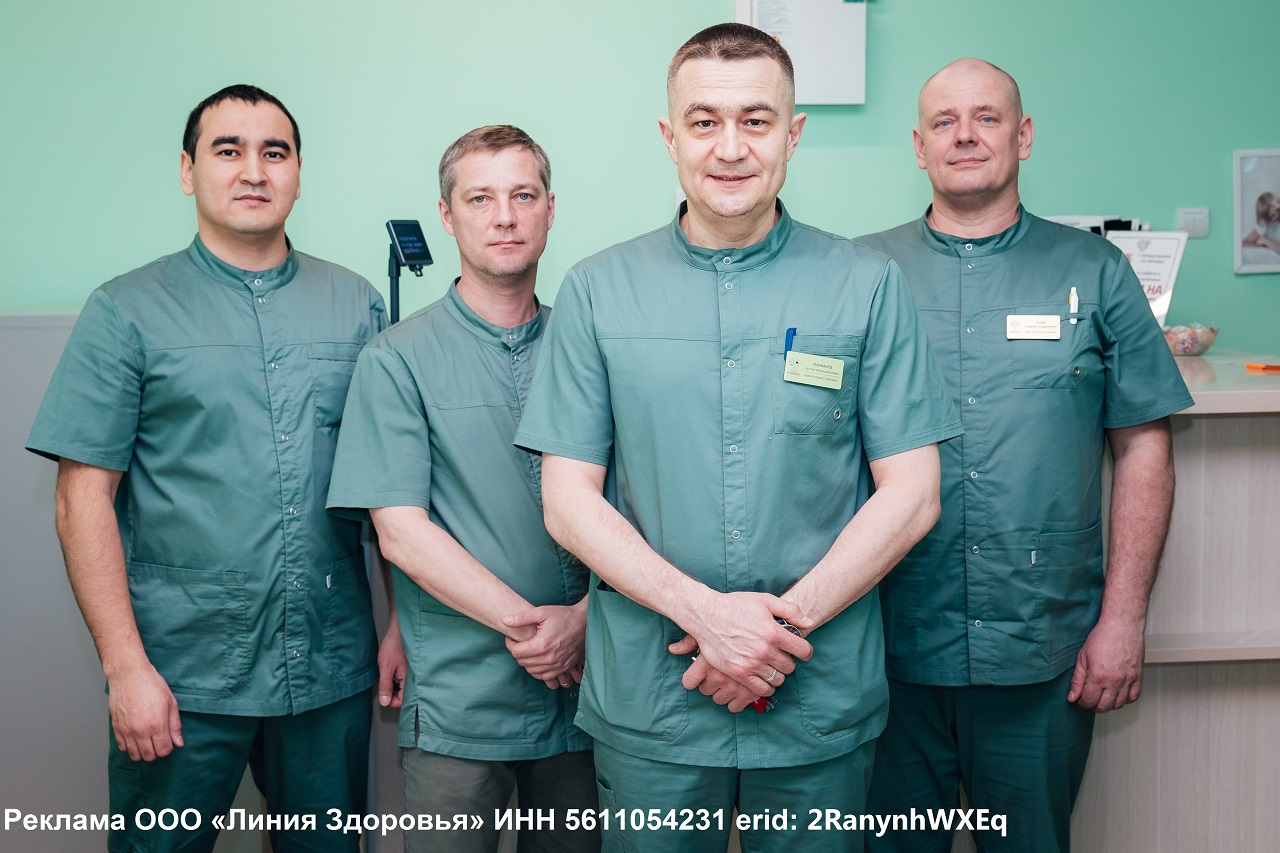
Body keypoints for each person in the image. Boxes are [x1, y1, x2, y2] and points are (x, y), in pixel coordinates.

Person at [513, 23, 962, 853]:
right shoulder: (598, 291)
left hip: (816, 699)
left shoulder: (866, 286)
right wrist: (705, 618)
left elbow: (914, 493)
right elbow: (567, 501)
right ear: (669, 135)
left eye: (756, 120)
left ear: (793, 133)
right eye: (704, 121)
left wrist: (773, 631)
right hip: (654, 704)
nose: (729, 147)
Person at [26, 85, 385, 852]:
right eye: (228, 150)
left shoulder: (355, 305)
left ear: (298, 173)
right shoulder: (125, 310)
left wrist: (402, 631)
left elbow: (388, 489)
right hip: (181, 673)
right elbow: (80, 500)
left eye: (274, 152)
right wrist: (127, 669)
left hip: (329, 668)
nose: (253, 170)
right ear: (188, 171)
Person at [856, 59, 1194, 852]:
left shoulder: (1095, 272)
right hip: (887, 647)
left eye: (987, 117)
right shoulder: (862, 274)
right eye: (944, 122)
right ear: (919, 146)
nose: (965, 136)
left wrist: (1125, 619)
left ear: (1024, 135)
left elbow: (1144, 446)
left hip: (1042, 650)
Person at [326, 125, 598, 853]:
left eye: (523, 195)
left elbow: (637, 508)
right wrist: (536, 631)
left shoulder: (590, 348)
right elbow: (402, 533)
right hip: (460, 703)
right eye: (480, 198)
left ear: (550, 210)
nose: (504, 216)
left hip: (590, 696)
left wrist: (583, 621)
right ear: (447, 216)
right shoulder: (397, 360)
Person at [1242, 190, 1280, 254]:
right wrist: (1262, 246)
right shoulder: (1266, 224)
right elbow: (1244, 243)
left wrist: (1265, 241)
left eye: (1278, 210)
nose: (1277, 215)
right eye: (1272, 215)